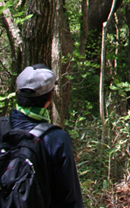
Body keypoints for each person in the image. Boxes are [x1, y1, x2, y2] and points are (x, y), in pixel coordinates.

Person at [8, 64, 84, 208]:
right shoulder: (56, 138)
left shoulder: (2, 126)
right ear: (50, 97)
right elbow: (70, 197)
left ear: (17, 92)